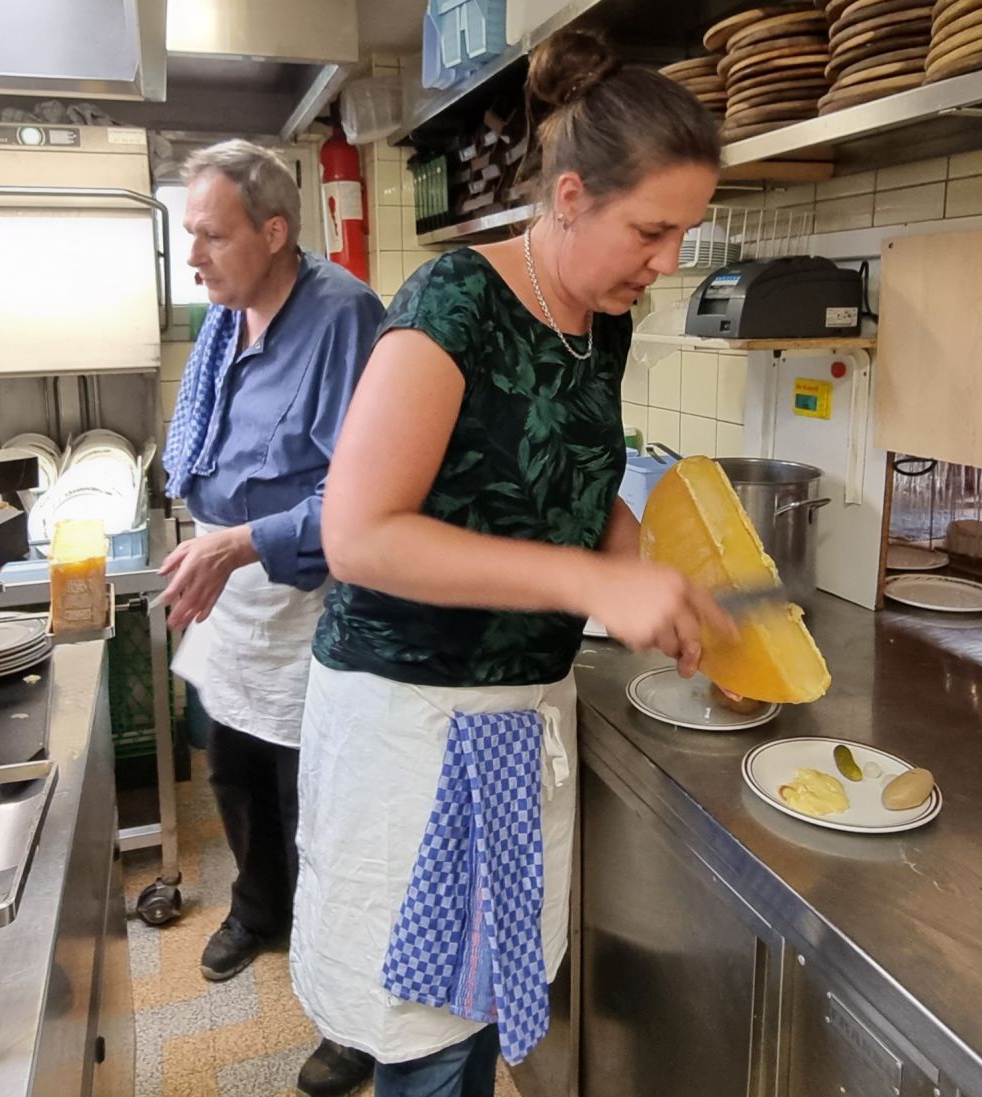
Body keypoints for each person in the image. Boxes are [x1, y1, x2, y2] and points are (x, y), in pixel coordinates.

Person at [290, 28, 734, 1097]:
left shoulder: (601, 320)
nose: (668, 262)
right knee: (431, 1044)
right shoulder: (456, 304)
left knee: (471, 1016)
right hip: (412, 722)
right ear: (570, 197)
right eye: (652, 230)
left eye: (685, 233)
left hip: (513, 717)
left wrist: (641, 565)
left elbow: (574, 478)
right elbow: (360, 533)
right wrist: (590, 583)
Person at [158, 139, 383, 1097]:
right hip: (233, 587)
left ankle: (352, 1014)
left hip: (309, 596)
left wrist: (239, 543)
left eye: (211, 236)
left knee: (321, 813)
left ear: (277, 230)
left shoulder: (343, 319)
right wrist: (213, 544)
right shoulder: (227, 318)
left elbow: (365, 496)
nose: (194, 256)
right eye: (190, 234)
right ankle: (259, 910)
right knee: (236, 771)